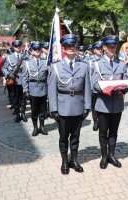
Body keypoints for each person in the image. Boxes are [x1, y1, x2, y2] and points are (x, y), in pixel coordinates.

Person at [48, 34, 91, 174]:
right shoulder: (56, 67)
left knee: (76, 137)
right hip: (63, 107)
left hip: (78, 106)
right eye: (68, 46)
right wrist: (53, 109)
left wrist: (87, 106)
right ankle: (64, 162)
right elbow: (52, 90)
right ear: (64, 48)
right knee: (63, 137)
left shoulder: (84, 66)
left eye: (74, 46)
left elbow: (87, 88)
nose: (72, 48)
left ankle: (74, 160)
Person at [91, 35, 127, 169]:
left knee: (113, 131)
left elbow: (126, 80)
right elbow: (94, 84)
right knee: (103, 132)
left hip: (117, 103)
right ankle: (104, 156)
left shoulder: (121, 63)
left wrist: (124, 88)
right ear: (104, 48)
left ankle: (112, 155)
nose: (113, 49)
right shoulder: (97, 64)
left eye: (114, 46)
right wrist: (106, 88)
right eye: (110, 47)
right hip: (103, 103)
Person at [21, 41, 48, 136]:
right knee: (34, 110)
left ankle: (42, 127)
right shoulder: (27, 62)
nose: (37, 51)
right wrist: (25, 90)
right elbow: (24, 77)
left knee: (43, 109)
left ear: (41, 50)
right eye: (35, 49)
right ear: (31, 51)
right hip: (33, 89)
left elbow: (48, 76)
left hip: (44, 88)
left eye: (38, 49)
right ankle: (35, 127)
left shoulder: (45, 61)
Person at [2, 40, 27, 123]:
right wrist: (8, 75)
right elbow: (3, 68)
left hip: (24, 79)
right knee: (15, 98)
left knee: (24, 97)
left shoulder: (26, 56)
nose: (18, 48)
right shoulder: (8, 57)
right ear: (13, 47)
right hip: (14, 80)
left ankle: (23, 113)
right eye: (16, 46)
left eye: (19, 46)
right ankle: (17, 114)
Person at [89, 41, 103, 131]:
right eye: (98, 49)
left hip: (102, 87)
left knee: (101, 104)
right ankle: (95, 121)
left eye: (101, 48)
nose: (100, 50)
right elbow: (89, 75)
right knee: (94, 106)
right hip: (93, 87)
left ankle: (101, 121)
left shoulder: (104, 59)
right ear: (94, 50)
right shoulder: (90, 61)